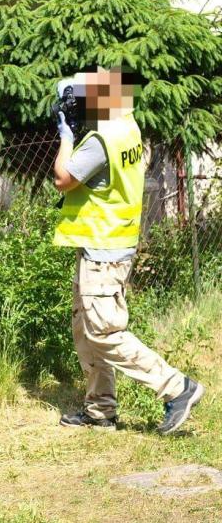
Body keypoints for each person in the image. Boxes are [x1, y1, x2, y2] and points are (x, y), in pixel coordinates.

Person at [52, 65, 204, 435]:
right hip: (110, 244)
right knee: (85, 328)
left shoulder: (99, 141)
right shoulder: (129, 127)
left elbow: (62, 179)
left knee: (103, 331)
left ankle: (176, 387)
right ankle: (100, 411)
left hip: (103, 248)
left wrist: (67, 135)